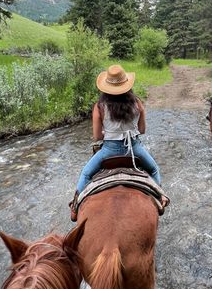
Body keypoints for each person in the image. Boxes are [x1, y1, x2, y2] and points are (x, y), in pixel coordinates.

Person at [69, 64, 164, 218]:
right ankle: (161, 197)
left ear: (106, 87)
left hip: (108, 151)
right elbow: (142, 130)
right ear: (127, 85)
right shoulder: (137, 103)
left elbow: (97, 137)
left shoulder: (99, 106)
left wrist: (109, 132)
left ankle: (74, 208)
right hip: (134, 149)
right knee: (154, 170)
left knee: (86, 174)